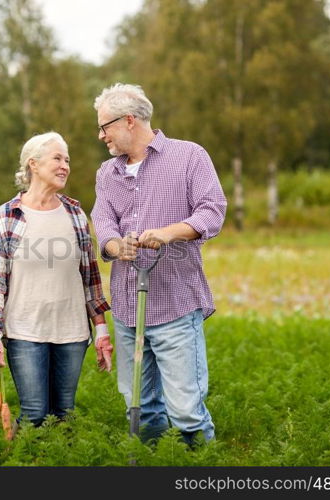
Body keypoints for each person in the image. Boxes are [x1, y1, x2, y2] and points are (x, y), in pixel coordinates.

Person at [90, 83, 227, 445]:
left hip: (174, 305)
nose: (101, 135)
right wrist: (115, 244)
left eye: (105, 126)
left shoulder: (189, 156)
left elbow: (212, 211)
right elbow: (102, 220)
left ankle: (200, 467)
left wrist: (168, 233)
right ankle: (154, 465)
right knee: (139, 406)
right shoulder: (107, 173)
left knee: (185, 410)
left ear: (129, 120)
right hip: (126, 308)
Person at [0, 131, 113, 428]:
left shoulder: (74, 214)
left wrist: (100, 329)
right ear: (33, 165)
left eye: (68, 160)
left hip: (71, 331)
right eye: (57, 158)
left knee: (64, 414)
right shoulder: (6, 216)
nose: (65, 166)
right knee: (34, 414)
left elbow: (90, 276)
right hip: (25, 330)